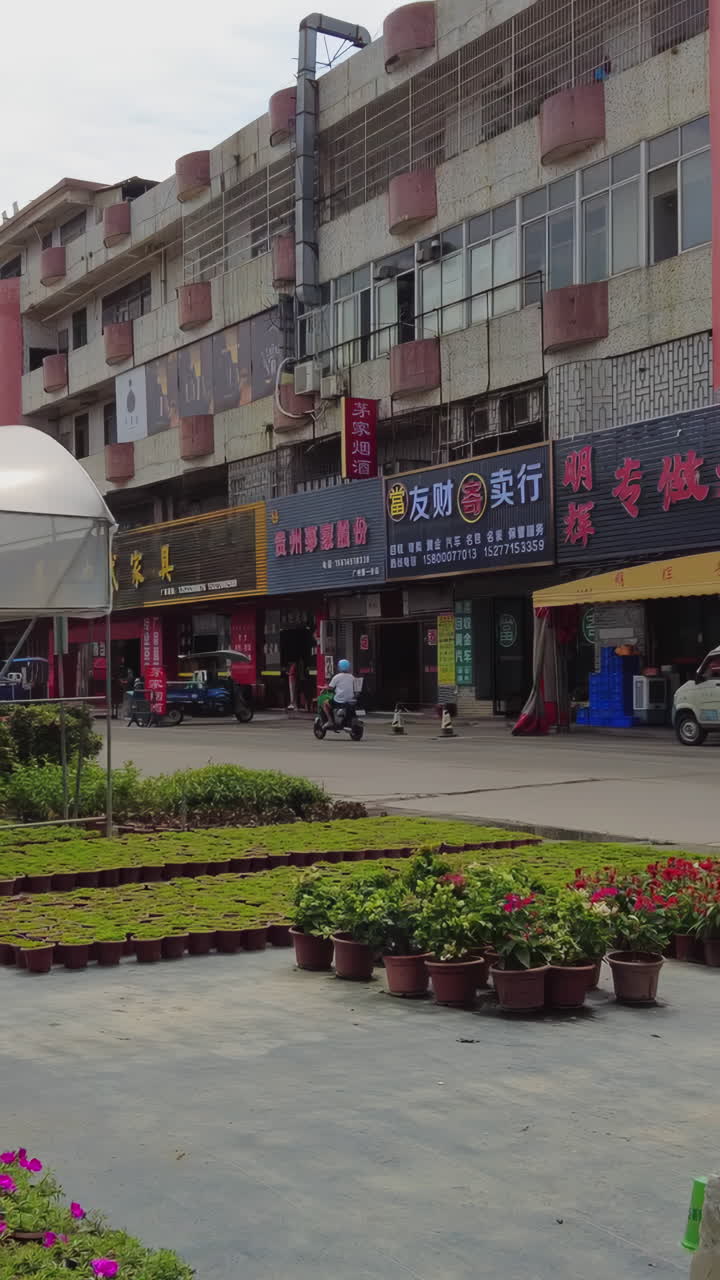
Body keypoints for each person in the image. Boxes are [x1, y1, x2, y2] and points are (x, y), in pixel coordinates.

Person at [324, 658, 355, 727]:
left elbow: (330, 687)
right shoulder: (352, 677)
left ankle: (330, 721)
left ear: (339, 667)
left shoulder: (337, 677)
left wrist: (326, 688)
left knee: (325, 704)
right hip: (350, 699)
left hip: (339, 700)